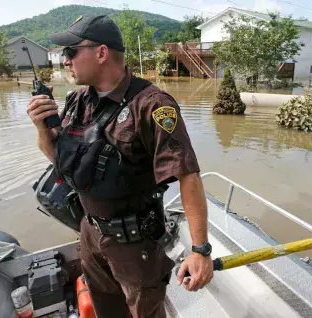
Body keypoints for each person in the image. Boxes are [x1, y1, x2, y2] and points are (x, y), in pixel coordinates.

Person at [26, 15, 213, 317]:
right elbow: (59, 160)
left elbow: (188, 175)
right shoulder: (76, 101)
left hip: (135, 245)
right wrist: (41, 128)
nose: (65, 61)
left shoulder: (151, 105)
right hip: (89, 232)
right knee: (106, 311)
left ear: (101, 53)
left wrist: (200, 249)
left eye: (71, 52)